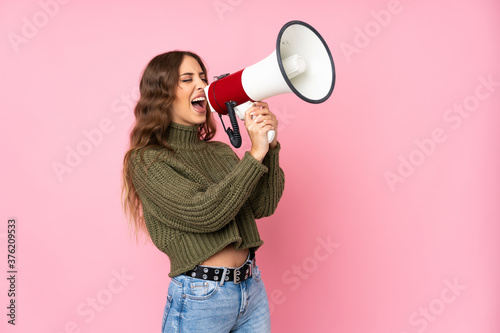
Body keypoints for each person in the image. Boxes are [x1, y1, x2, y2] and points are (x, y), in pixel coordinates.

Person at [121, 50, 285, 332]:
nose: (202, 85)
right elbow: (205, 213)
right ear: (162, 95)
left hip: (251, 288)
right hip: (202, 296)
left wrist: (269, 148)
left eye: (203, 77)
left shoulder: (220, 152)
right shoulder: (147, 160)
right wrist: (255, 154)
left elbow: (262, 205)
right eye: (187, 79)